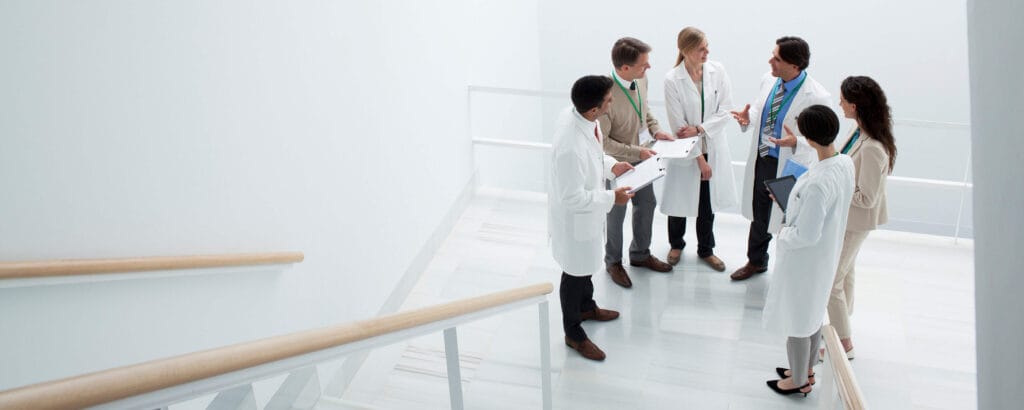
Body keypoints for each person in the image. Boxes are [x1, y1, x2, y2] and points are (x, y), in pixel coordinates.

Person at [762, 105, 855, 396]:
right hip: (825, 256)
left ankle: (799, 380)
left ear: (810, 139)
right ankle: (807, 368)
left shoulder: (818, 184)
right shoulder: (843, 163)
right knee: (813, 314)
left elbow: (806, 234)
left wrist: (783, 231)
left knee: (798, 319)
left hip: (806, 261)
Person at [729, 36, 831, 281]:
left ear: (794, 66)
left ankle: (791, 269)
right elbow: (758, 110)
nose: (770, 61)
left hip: (791, 166)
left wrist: (797, 141)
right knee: (760, 213)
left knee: (790, 218)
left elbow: (824, 138)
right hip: (764, 159)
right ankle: (756, 261)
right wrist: (747, 118)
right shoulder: (769, 80)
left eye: (777, 58)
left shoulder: (817, 96)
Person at [549, 75, 635, 361]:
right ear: (594, 109)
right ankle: (573, 333)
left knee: (586, 266)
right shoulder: (570, 146)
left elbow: (595, 157)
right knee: (574, 273)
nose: (613, 101)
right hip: (576, 221)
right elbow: (571, 197)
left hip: (589, 216)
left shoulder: (585, 120)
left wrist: (612, 166)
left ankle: (587, 307)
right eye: (609, 99)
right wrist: (613, 197)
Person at [826, 76, 898, 359]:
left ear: (854, 105)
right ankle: (841, 319)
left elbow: (866, 198)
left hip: (854, 222)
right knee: (846, 275)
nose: (839, 103)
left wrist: (835, 189)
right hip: (848, 220)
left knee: (833, 281)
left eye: (842, 99)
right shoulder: (859, 133)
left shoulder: (871, 147)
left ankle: (844, 343)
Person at [661, 27, 738, 271]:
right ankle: (676, 244)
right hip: (687, 151)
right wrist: (699, 159)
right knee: (679, 202)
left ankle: (706, 249)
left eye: (707, 46)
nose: (707, 52)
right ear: (685, 50)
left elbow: (726, 110)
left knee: (706, 202)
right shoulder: (672, 79)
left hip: (712, 145)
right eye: (701, 48)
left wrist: (701, 129)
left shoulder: (718, 71)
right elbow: (678, 126)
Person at [601, 37, 675, 288]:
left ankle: (640, 254)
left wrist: (657, 131)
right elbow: (603, 144)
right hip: (618, 166)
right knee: (616, 215)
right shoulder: (605, 96)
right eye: (644, 64)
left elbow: (645, 112)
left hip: (643, 160)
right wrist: (637, 151)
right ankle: (613, 262)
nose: (649, 67)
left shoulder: (641, 79)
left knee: (648, 204)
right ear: (624, 68)